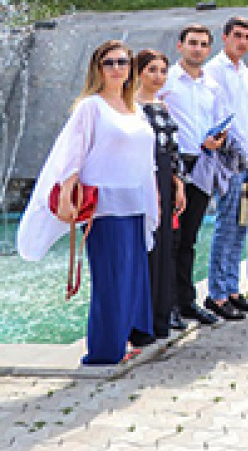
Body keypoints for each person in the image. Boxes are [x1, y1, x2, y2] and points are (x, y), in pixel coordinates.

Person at [18, 40, 159, 364]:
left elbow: (145, 160)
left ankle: (122, 341)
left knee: (131, 276)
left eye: (123, 62)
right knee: (110, 278)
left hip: (135, 203)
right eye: (109, 63)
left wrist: (155, 201)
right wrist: (67, 191)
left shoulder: (136, 109)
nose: (117, 68)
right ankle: (104, 352)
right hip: (105, 207)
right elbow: (72, 151)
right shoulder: (91, 106)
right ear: (98, 68)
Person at [159, 24, 232, 326]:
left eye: (203, 44)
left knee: (189, 238)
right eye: (192, 43)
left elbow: (220, 122)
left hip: (202, 163)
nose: (198, 49)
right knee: (170, 239)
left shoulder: (211, 86)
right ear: (180, 46)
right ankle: (168, 306)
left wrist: (219, 139)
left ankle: (187, 302)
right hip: (174, 166)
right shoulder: (167, 81)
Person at [203, 16, 248, 311]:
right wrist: (243, 147)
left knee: (242, 224)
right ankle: (217, 292)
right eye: (237, 36)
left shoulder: (244, 72)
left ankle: (232, 289)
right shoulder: (215, 70)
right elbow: (220, 116)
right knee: (226, 225)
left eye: (247, 37)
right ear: (225, 36)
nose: (242, 42)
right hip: (229, 157)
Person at [133, 49, 187, 343]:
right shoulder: (132, 107)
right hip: (144, 180)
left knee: (167, 247)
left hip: (167, 179)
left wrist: (178, 184)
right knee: (148, 248)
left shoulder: (162, 107)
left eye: (162, 71)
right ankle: (142, 320)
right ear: (139, 72)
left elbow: (173, 150)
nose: (158, 76)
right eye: (151, 70)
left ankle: (161, 316)